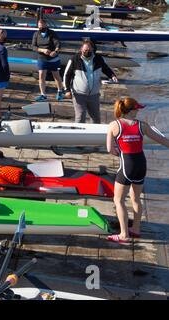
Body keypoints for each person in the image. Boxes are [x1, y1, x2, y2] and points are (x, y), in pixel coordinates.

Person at [106, 97, 169, 243]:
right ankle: (136, 229)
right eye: (137, 109)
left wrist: (118, 153)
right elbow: (162, 140)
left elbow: (110, 149)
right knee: (136, 198)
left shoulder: (114, 125)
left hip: (127, 165)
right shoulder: (143, 126)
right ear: (131, 110)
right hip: (141, 164)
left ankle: (124, 235)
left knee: (118, 200)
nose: (138, 111)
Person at [63, 40, 118, 123]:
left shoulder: (98, 59)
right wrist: (67, 90)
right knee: (80, 117)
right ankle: (78, 135)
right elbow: (67, 75)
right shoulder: (74, 59)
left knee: (96, 118)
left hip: (94, 95)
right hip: (79, 94)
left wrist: (112, 75)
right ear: (81, 49)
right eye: (85, 50)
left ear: (92, 50)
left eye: (89, 50)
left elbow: (106, 69)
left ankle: (94, 135)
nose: (87, 52)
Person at [31, 20, 64, 102]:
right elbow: (33, 47)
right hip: (42, 58)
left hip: (53, 58)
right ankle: (43, 94)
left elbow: (58, 44)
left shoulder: (51, 33)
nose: (40, 27)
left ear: (45, 25)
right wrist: (42, 50)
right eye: (39, 26)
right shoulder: (36, 34)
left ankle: (60, 91)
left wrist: (55, 52)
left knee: (56, 75)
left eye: (42, 25)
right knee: (41, 76)